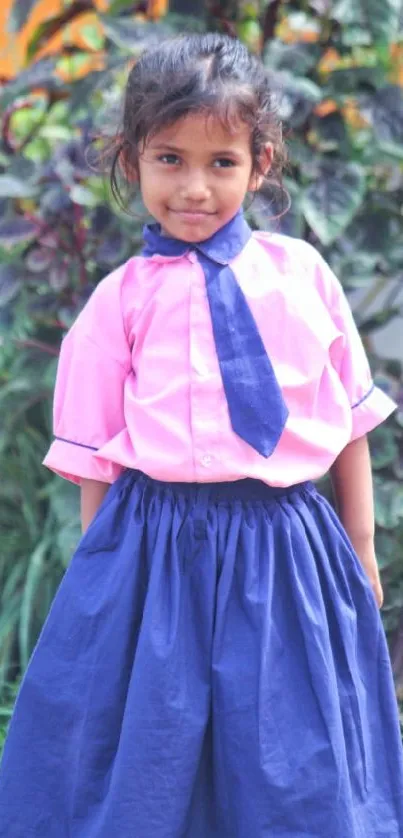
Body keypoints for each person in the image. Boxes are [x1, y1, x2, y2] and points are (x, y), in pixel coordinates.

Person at [0, 31, 402, 838]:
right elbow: (93, 456)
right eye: (168, 159)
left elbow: (351, 424)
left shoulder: (303, 277)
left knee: (292, 739)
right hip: (157, 546)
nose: (194, 187)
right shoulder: (119, 302)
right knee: (155, 731)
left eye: (220, 162)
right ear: (131, 161)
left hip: (285, 546)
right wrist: (101, 578)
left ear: (260, 162)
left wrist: (360, 548)